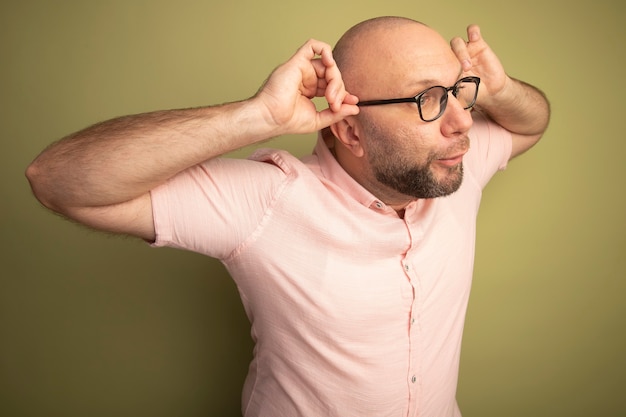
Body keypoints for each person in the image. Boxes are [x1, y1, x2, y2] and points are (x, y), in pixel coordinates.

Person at [26, 16, 550, 417]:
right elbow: (58, 181)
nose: (462, 122)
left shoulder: (453, 167)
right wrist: (258, 116)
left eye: (460, 91)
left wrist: (499, 89)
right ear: (350, 131)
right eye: (427, 100)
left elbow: (531, 123)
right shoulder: (268, 201)